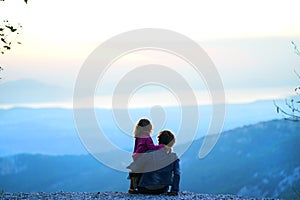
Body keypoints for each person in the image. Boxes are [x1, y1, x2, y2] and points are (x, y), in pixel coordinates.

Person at [127, 130, 180, 196]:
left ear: (159, 141)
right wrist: (174, 190)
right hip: (163, 189)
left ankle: (132, 189)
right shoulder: (173, 157)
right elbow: (177, 174)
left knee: (137, 167)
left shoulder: (149, 153)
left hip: (144, 189)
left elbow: (135, 167)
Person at [128, 119, 171, 192]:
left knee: (137, 172)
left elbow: (135, 148)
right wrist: (162, 146)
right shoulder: (147, 137)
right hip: (143, 156)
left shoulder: (138, 137)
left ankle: (132, 187)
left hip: (136, 156)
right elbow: (152, 148)